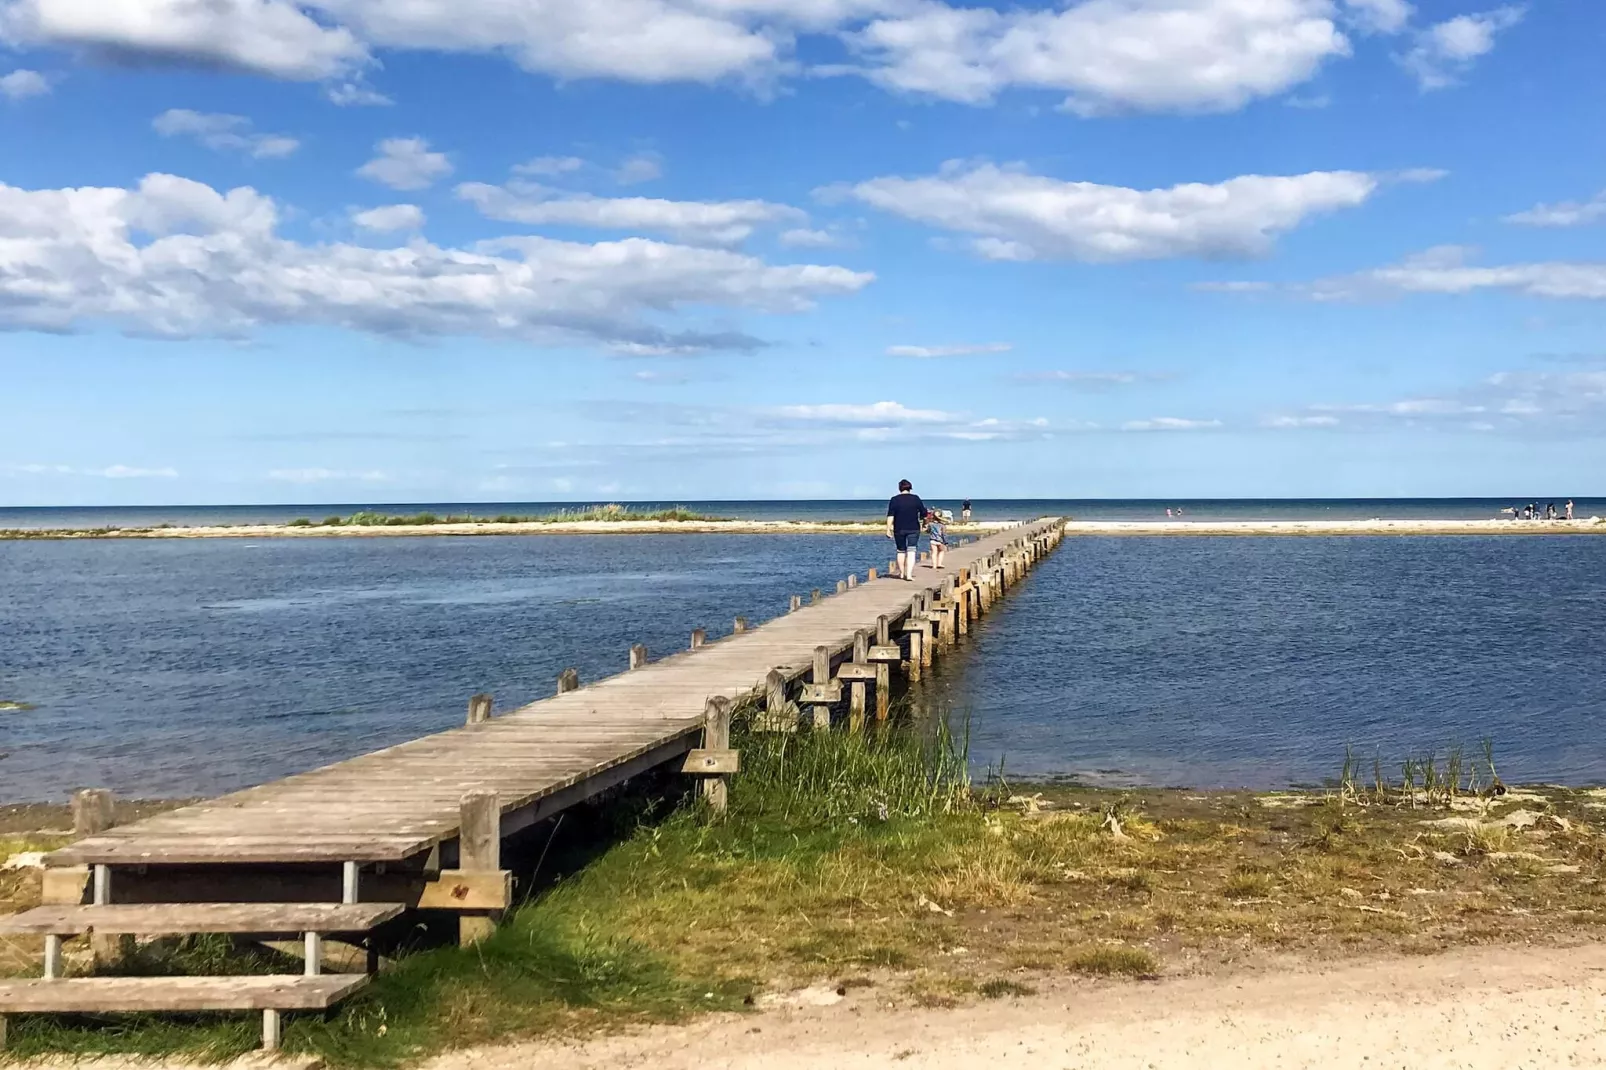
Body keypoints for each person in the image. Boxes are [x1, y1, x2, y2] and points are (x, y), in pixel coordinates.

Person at [886, 479, 926, 581]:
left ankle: (902, 572)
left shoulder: (894, 500)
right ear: (910, 488)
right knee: (912, 551)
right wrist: (923, 521)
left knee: (901, 551)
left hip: (899, 528)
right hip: (913, 528)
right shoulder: (915, 499)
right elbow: (923, 513)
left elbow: (891, 515)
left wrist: (888, 529)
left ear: (900, 488)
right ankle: (909, 575)